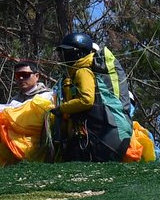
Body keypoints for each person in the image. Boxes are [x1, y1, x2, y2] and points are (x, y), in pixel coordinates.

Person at [54, 32, 134, 162]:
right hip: (101, 136)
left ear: (78, 53)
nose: (64, 56)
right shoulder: (82, 70)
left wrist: (61, 109)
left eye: (67, 52)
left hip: (92, 139)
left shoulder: (82, 71)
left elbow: (86, 100)